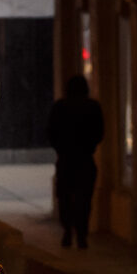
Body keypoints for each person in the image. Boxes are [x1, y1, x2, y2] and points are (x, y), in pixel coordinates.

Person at [45, 74, 105, 250]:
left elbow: (51, 132)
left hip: (66, 160)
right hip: (85, 159)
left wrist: (61, 148)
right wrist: (89, 145)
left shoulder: (60, 108)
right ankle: (81, 234)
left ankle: (67, 232)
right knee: (84, 199)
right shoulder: (93, 107)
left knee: (65, 198)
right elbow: (100, 131)